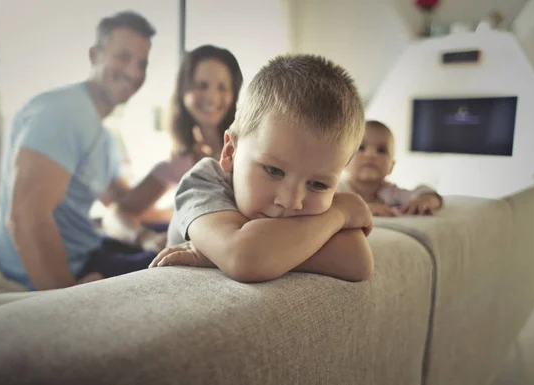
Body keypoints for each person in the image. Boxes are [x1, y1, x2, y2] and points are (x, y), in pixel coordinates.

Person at [149, 54, 375, 283]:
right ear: (230, 152)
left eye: (317, 184)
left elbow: (358, 261)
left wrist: (261, 254)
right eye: (274, 171)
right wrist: (340, 214)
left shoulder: (317, 201)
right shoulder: (202, 183)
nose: (290, 201)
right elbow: (243, 258)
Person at [0, 11, 158, 290]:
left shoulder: (101, 134)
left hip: (90, 251)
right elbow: (25, 216)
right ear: (95, 55)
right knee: (183, 263)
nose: (134, 72)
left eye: (142, 63)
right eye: (123, 57)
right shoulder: (66, 112)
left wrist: (168, 173)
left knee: (176, 236)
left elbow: (119, 202)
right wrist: (69, 298)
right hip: (64, 271)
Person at [107, 44, 243, 232]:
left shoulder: (249, 147)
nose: (212, 97)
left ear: (234, 93)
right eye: (202, 86)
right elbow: (116, 213)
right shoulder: (179, 164)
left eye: (222, 87)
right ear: (183, 91)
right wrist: (145, 238)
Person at [338, 120, 442, 217]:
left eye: (381, 150)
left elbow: (424, 191)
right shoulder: (338, 189)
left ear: (391, 166)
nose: (371, 154)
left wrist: (426, 199)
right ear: (344, 160)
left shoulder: (391, 193)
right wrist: (363, 210)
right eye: (361, 148)